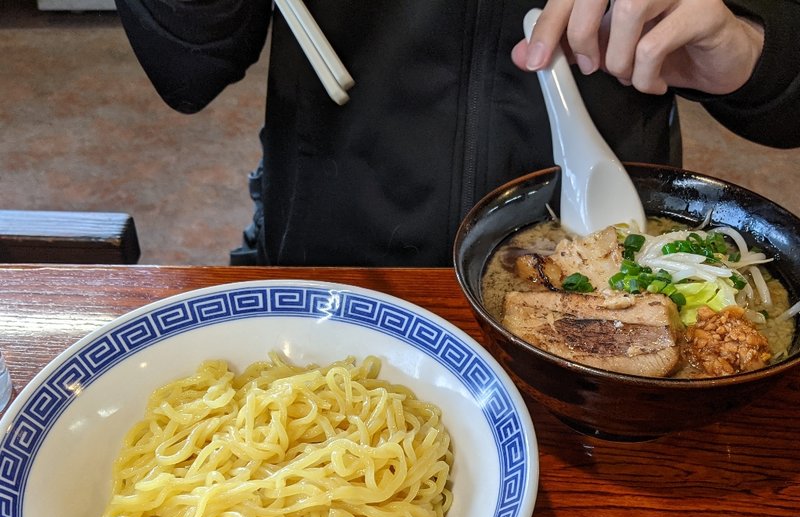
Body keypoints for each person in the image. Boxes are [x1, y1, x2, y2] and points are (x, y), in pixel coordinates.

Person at [114, 0, 800, 267]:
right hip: (336, 262)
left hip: (607, 275)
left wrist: (750, 45)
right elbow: (186, 67)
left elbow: (785, 95)